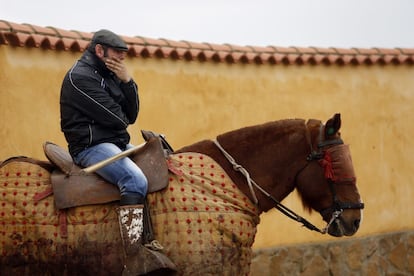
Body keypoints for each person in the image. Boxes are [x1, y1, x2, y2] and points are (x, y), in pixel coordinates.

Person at [60, 29, 173, 274]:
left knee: (160, 161)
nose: (122, 59)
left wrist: (127, 82)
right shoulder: (80, 77)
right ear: (99, 51)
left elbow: (130, 116)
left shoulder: (110, 74)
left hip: (115, 143)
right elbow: (118, 118)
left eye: (124, 55)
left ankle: (151, 236)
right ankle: (133, 256)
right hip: (90, 147)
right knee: (134, 180)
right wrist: (121, 102)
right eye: (117, 54)